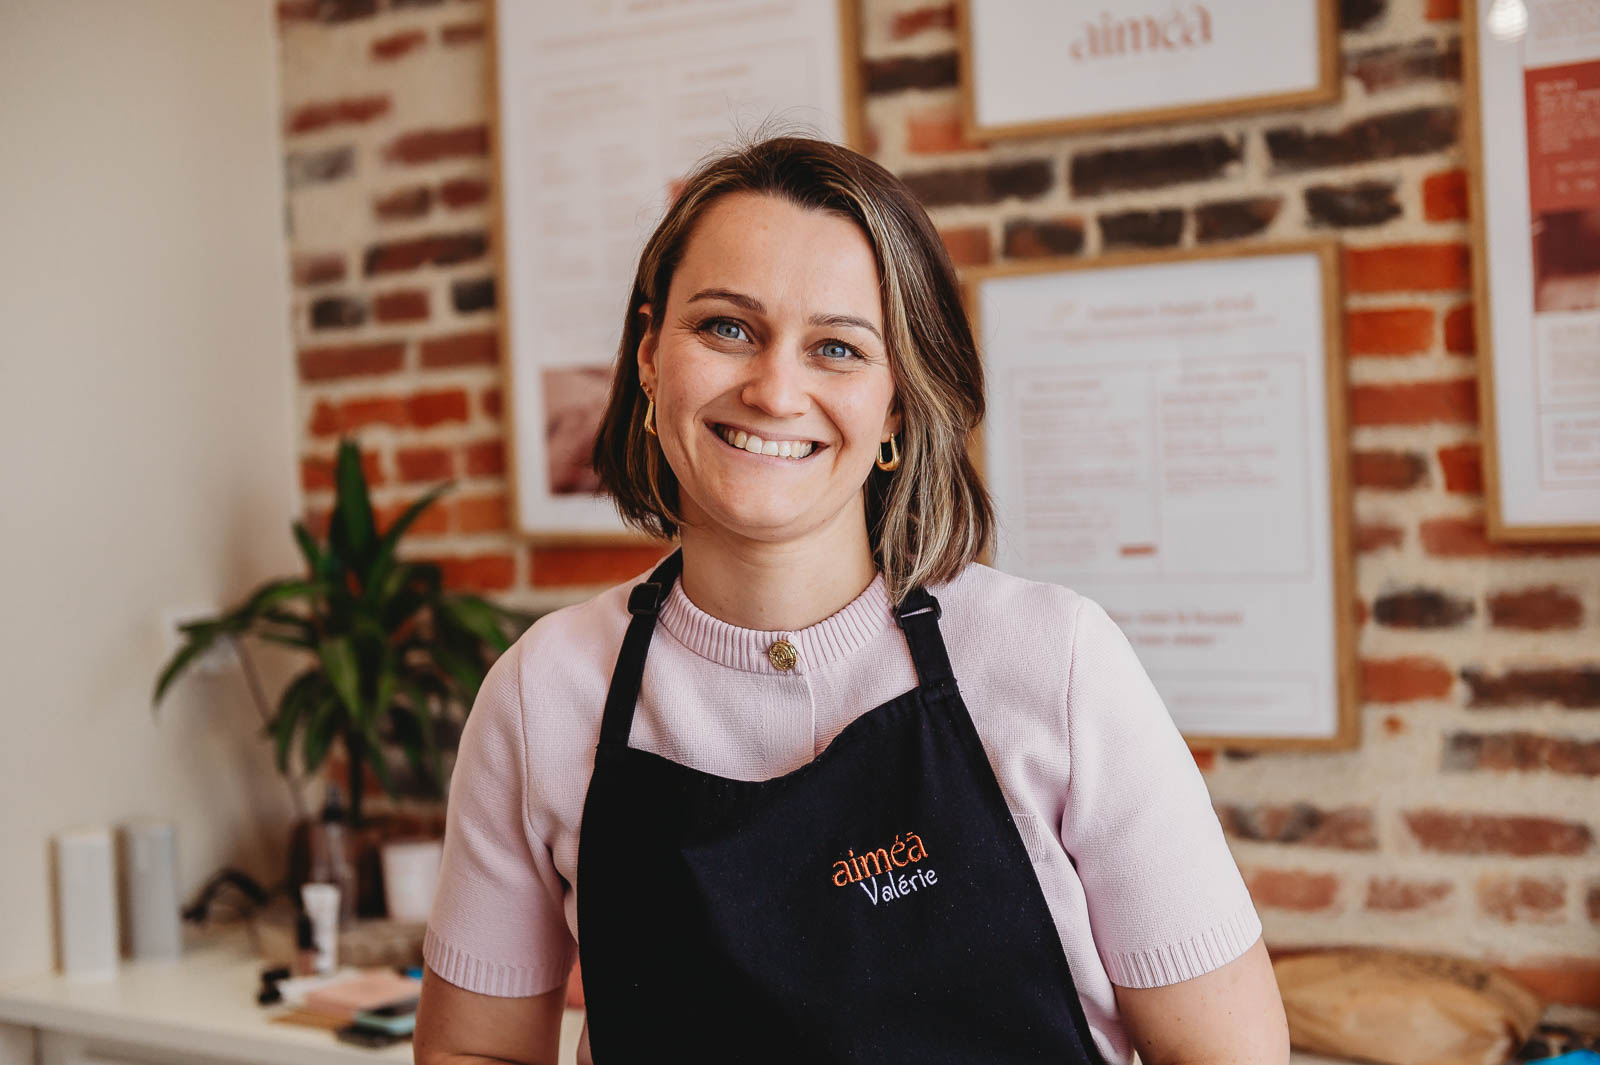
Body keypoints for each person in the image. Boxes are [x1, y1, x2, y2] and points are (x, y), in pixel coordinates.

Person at [414, 136, 1289, 1065]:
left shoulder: (1055, 661)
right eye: (725, 327)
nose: (774, 389)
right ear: (647, 354)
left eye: (836, 347)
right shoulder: (540, 694)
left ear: (898, 407)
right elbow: (480, 1052)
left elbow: (1227, 1055)